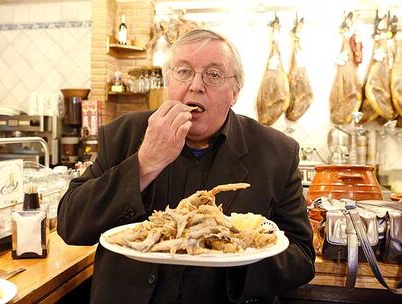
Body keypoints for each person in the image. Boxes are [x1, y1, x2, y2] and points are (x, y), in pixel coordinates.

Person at [57, 28, 315, 304]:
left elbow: (301, 258)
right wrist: (145, 163)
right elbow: (71, 226)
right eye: (183, 71)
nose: (195, 85)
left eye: (214, 75)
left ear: (235, 93)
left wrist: (236, 253)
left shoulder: (276, 152)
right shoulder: (124, 135)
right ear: (168, 80)